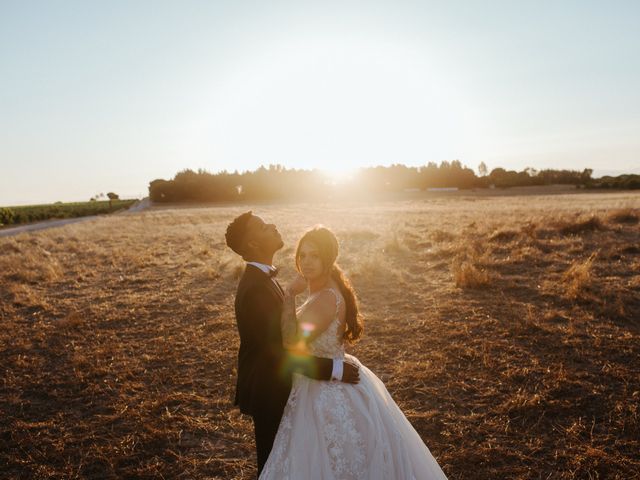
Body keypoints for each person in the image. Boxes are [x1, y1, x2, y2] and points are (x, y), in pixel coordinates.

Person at [259, 226, 449, 479]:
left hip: (324, 390)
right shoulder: (325, 289)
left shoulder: (326, 298)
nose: (306, 262)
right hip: (321, 378)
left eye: (314, 255)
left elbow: (292, 344)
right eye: (302, 255)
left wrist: (290, 295)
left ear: (328, 258)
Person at [225, 212, 360, 476]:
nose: (272, 225)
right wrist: (335, 370)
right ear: (252, 244)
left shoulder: (264, 279)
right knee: (275, 465)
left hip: (284, 386)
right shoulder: (255, 289)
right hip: (269, 390)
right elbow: (279, 354)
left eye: (315, 255)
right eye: (263, 227)